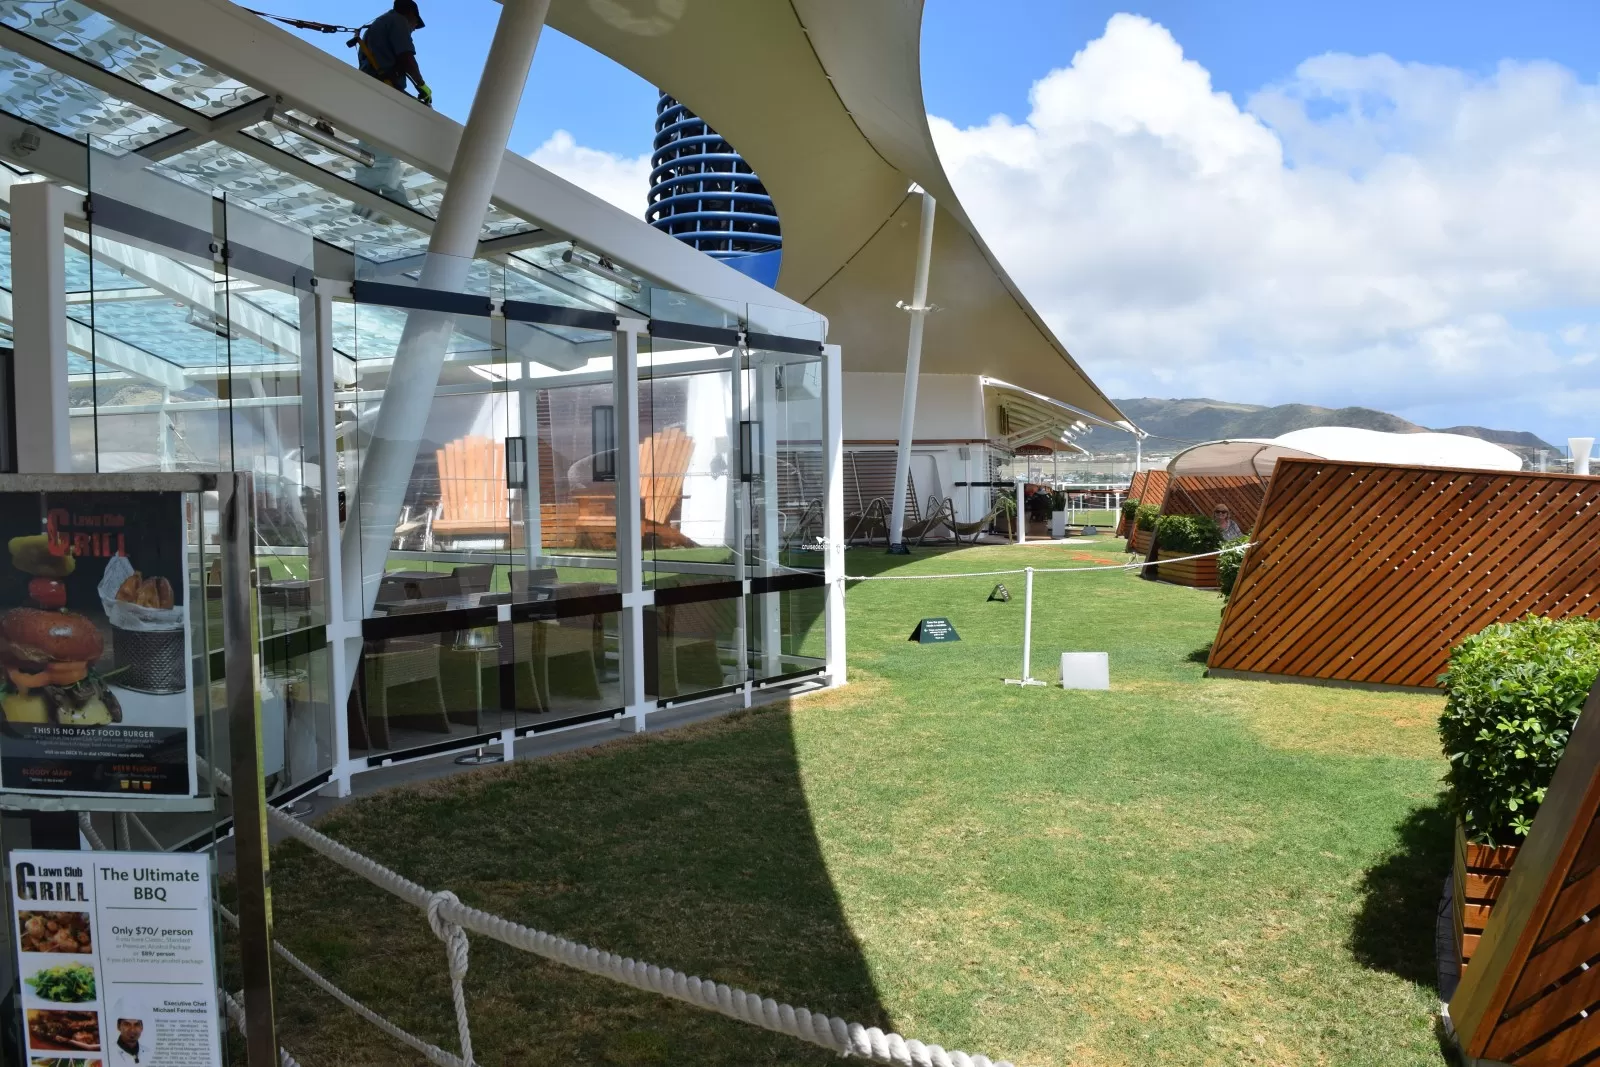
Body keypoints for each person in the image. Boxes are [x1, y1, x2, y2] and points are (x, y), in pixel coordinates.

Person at [358, 0, 432, 105]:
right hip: (384, 85)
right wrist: (421, 84)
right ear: (410, 13)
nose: (415, 28)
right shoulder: (399, 20)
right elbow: (406, 57)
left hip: (369, 79)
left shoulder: (378, 24)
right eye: (416, 23)